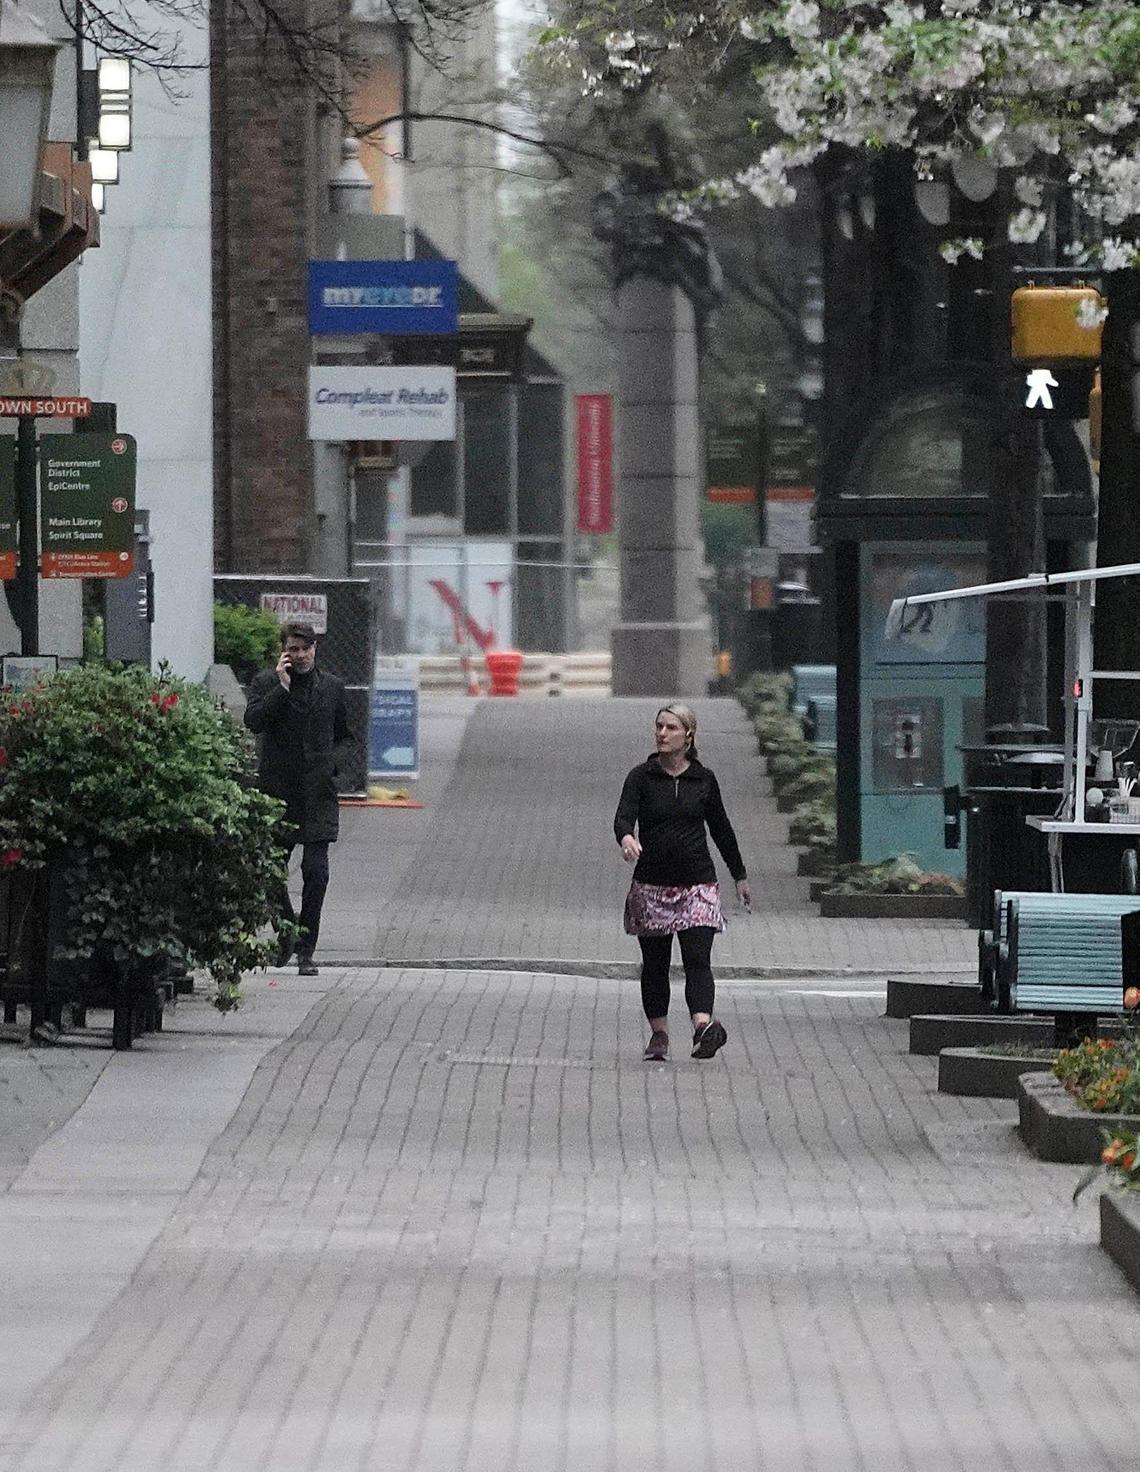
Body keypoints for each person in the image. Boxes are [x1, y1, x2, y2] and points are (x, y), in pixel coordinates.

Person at [614, 703, 750, 1062]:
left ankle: (702, 1028)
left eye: (670, 728)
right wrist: (627, 838)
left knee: (697, 960)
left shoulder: (703, 780)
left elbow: (721, 830)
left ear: (688, 736)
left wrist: (739, 875)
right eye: (659, 726)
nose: (661, 733)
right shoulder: (641, 777)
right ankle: (659, 1035)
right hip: (652, 887)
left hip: (697, 886)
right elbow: (623, 817)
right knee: (655, 964)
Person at [244, 622, 356, 976]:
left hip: (318, 793)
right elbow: (254, 721)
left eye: (306, 648)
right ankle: (286, 930)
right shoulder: (266, 683)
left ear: (315, 649)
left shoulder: (333, 687)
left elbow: (345, 737)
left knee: (316, 872)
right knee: (270, 871)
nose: (301, 655)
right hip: (278, 792)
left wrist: (333, 767)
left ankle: (306, 950)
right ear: (283, 652)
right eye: (293, 649)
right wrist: (282, 688)